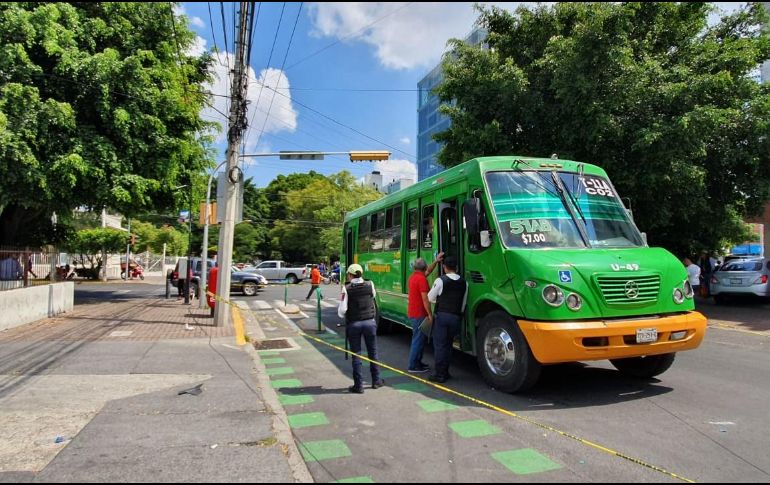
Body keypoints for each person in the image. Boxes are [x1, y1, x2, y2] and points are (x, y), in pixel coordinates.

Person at [337, 263, 384, 394]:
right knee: (373, 353)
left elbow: (342, 310)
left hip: (355, 324)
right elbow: (373, 297)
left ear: (350, 274)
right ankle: (376, 381)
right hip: (370, 322)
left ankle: (359, 386)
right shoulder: (370, 284)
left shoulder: (346, 288)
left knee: (356, 355)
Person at [427, 255, 467, 383]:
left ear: (444, 267)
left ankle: (440, 374)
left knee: (440, 346)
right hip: (455, 316)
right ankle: (446, 372)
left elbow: (430, 297)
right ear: (456, 267)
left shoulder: (440, 280)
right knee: (449, 345)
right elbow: (463, 302)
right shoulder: (463, 282)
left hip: (442, 316)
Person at [406, 252, 444, 373]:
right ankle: (413, 365)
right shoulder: (422, 280)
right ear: (423, 267)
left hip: (413, 313)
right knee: (418, 340)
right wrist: (429, 314)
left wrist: (436, 261)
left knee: (419, 339)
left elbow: (428, 271)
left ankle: (418, 363)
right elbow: (425, 299)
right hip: (419, 314)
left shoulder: (413, 277)